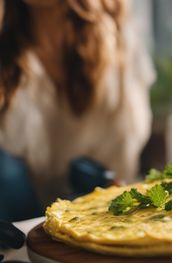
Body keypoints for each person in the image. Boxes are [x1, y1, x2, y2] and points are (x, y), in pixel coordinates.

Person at [0, 0, 154, 215]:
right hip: (24, 216)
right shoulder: (6, 40)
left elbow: (125, 143)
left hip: (102, 206)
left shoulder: (115, 31)